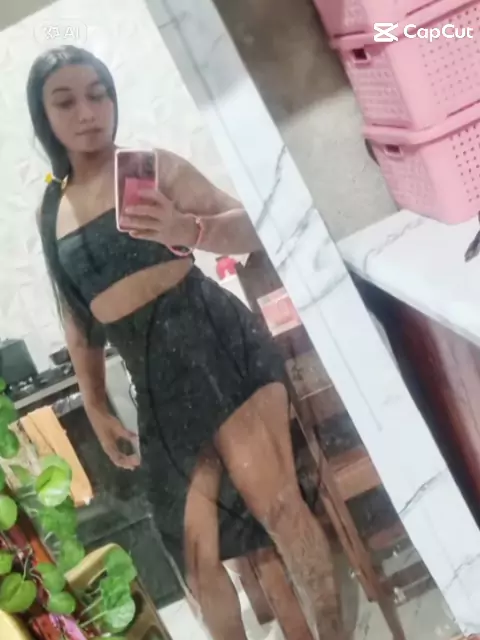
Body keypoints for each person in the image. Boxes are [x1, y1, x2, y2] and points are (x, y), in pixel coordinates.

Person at [28, 46, 345, 640]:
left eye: (98, 94)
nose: (88, 112)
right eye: (65, 101)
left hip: (214, 341)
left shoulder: (147, 168)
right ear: (43, 116)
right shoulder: (53, 210)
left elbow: (253, 226)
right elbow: (76, 317)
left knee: (278, 507)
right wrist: (94, 405)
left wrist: (187, 229)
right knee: (194, 555)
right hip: (152, 376)